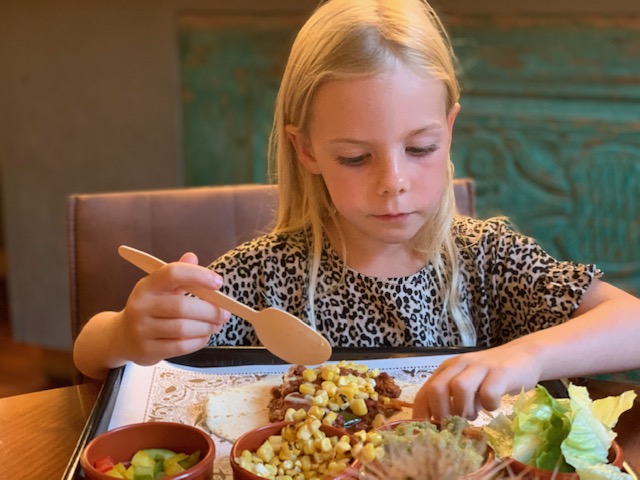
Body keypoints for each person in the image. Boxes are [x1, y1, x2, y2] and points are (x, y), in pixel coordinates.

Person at [73, 0, 640, 421]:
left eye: (419, 149)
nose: (393, 184)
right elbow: (90, 351)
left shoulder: (488, 257)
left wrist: (528, 356)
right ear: (307, 150)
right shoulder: (265, 277)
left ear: (449, 130)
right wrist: (126, 332)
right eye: (354, 157)